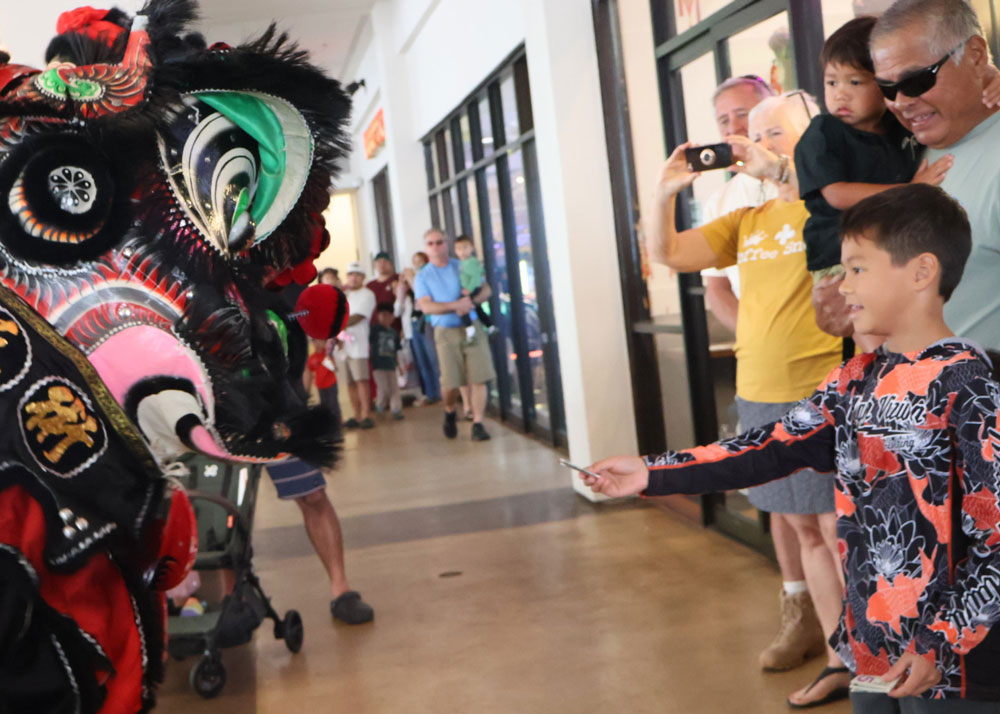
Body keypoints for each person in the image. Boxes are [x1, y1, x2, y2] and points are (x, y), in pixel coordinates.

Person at [584, 184, 1000, 712]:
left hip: (951, 666)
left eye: (856, 268)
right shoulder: (852, 381)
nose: (840, 285)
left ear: (921, 272)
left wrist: (943, 642)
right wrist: (650, 471)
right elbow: (768, 446)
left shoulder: (970, 385)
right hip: (871, 647)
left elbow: (995, 541)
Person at [647, 91, 852, 707]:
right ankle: (843, 658)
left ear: (808, 137)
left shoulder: (831, 208)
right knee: (806, 532)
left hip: (820, 392)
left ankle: (879, 660)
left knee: (842, 532)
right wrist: (661, 196)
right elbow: (668, 254)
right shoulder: (748, 221)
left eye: (773, 131)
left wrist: (782, 173)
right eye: (750, 132)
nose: (754, 142)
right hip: (759, 396)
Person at [699, 75, 823, 675]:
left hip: (820, 367)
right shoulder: (725, 197)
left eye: (748, 118)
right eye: (727, 122)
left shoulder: (813, 183)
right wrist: (761, 332)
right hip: (760, 370)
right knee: (784, 507)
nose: (735, 133)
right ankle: (799, 612)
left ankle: (858, 640)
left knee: (828, 514)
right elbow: (714, 286)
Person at [871, 0, 1000, 352]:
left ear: (975, 55)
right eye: (885, 88)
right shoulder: (896, 147)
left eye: (915, 81)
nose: (899, 101)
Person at [700, 75, 778, 331]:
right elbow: (716, 288)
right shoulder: (718, 202)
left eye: (742, 114)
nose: (733, 128)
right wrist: (752, 337)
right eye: (724, 120)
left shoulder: (805, 180)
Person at [264, 458, 375, 625]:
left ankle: (341, 590)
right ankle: (231, 599)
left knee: (313, 495)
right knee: (224, 493)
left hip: (277, 434)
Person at [414, 228, 496, 442]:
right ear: (426, 247)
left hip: (472, 326)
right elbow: (426, 306)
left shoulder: (462, 265)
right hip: (445, 331)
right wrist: (454, 305)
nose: (435, 247)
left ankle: (478, 422)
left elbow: (486, 289)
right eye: (430, 243)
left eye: (439, 242)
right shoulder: (423, 275)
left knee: (479, 377)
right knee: (450, 383)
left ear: (447, 243)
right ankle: (450, 410)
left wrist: (471, 302)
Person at [336, 262, 376, 429]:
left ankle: (367, 414)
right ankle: (357, 414)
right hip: (341, 345)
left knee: (361, 380)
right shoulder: (344, 295)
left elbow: (358, 316)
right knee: (349, 382)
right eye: (351, 274)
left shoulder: (367, 294)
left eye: (357, 275)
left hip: (358, 343)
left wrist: (336, 325)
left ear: (363, 277)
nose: (353, 278)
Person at [406, 251, 442, 405]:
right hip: (415, 321)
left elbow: (419, 291)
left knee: (433, 358)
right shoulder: (416, 276)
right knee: (422, 360)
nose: (417, 264)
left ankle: (441, 392)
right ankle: (430, 392)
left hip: (428, 320)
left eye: (420, 260)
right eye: (415, 261)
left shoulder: (425, 275)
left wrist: (409, 277)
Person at [453, 234, 495, 341]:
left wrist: (469, 290)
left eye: (465, 247)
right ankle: (489, 326)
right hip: (470, 288)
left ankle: (469, 328)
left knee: (462, 306)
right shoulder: (460, 263)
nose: (462, 251)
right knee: (477, 308)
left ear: (472, 248)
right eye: (458, 248)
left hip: (473, 289)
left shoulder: (472, 262)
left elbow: (476, 278)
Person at [370, 302, 403, 419]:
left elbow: (397, 351)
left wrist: (399, 365)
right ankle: (380, 405)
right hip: (378, 365)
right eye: (381, 314)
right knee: (383, 388)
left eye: (387, 315)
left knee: (394, 388)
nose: (384, 317)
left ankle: (396, 409)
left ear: (392, 316)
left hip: (391, 365)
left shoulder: (394, 333)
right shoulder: (374, 330)